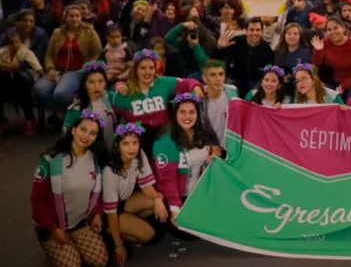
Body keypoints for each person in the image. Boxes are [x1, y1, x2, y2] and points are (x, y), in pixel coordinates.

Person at [30, 110, 108, 267]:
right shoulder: (50, 159)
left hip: (79, 222)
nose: (86, 136)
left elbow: (96, 194)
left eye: (93, 133)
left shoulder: (95, 159)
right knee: (73, 265)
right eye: (83, 129)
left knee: (100, 261)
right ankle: (52, 246)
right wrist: (53, 229)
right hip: (53, 225)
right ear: (73, 130)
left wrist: (97, 213)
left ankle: (72, 245)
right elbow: (38, 200)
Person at [111, 49, 202, 155]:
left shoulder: (163, 82)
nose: (147, 72)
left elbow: (188, 82)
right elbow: (115, 113)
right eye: (143, 68)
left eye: (151, 68)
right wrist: (118, 85)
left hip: (163, 133)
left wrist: (196, 87)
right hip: (140, 138)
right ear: (136, 70)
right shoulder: (125, 91)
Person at [103, 122, 169, 265]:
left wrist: (157, 199)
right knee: (148, 235)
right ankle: (109, 235)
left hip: (123, 203)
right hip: (107, 213)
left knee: (158, 199)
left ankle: (128, 224)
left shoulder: (139, 155)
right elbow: (111, 212)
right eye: (125, 144)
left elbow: (146, 186)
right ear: (117, 146)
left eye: (135, 143)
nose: (132, 148)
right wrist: (119, 245)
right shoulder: (109, 171)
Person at [151, 93, 222, 221]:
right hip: (174, 199)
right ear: (175, 114)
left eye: (191, 112)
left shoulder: (200, 133)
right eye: (182, 112)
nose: (187, 117)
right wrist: (175, 209)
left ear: (197, 114)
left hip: (195, 195)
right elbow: (167, 180)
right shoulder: (166, 141)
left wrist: (210, 157)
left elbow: (201, 161)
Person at [34, 5, 103, 120]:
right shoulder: (57, 33)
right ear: (65, 17)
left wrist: (88, 66)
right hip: (57, 70)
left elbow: (97, 53)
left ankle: (60, 115)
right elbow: (49, 54)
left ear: (81, 17)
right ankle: (60, 112)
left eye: (77, 16)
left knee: (60, 94)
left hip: (77, 70)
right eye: (71, 16)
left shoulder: (90, 32)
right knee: (39, 90)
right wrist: (50, 69)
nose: (74, 19)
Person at [213, 17, 274, 97]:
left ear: (262, 32)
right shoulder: (235, 42)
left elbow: (271, 68)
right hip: (235, 80)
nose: (254, 33)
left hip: (256, 83)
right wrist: (219, 47)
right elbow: (214, 59)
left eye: (258, 30)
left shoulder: (267, 49)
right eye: (251, 30)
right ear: (246, 31)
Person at [62, 61, 118, 150]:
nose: (97, 86)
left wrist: (120, 85)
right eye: (91, 82)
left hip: (110, 149)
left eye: (100, 81)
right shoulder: (76, 108)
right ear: (84, 84)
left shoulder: (110, 97)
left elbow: (129, 101)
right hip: (87, 151)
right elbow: (66, 135)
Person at [0, 30, 44, 135]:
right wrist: (10, 66)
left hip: (25, 80)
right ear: (7, 44)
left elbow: (38, 69)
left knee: (19, 78)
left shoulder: (27, 52)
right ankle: (1, 120)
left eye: (17, 42)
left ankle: (29, 119)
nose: (14, 45)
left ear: (21, 42)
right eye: (11, 42)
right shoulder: (3, 51)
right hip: (7, 80)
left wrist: (8, 66)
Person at [311, 17, 351, 100]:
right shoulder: (323, 43)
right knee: (325, 98)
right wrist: (318, 51)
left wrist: (344, 86)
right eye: (329, 30)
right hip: (330, 82)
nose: (333, 32)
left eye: (336, 28)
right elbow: (315, 67)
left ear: (343, 28)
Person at [200, 59, 239, 147]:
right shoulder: (198, 97)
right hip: (210, 150)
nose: (218, 79)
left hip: (232, 148)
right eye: (213, 75)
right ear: (205, 78)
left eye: (221, 74)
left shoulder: (232, 91)